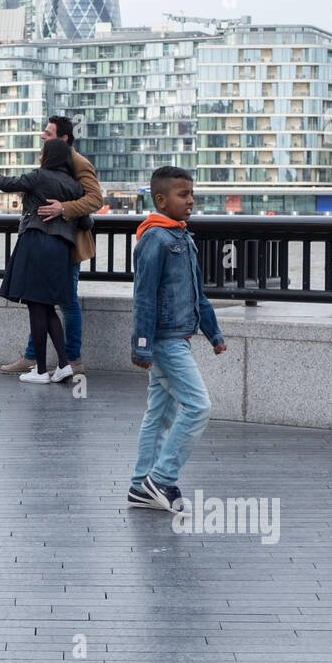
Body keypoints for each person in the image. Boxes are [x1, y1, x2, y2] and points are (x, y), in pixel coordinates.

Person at [128, 165, 227, 512]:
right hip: (164, 341)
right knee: (199, 407)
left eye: (191, 194)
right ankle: (162, 478)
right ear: (160, 199)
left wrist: (213, 332)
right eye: (183, 195)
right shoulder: (155, 238)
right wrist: (141, 344)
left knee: (159, 414)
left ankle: (141, 487)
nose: (191, 200)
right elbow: (144, 295)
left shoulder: (182, 237)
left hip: (179, 338)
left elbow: (198, 293)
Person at [0, 139, 86, 384]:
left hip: (36, 243)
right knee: (47, 306)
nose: (39, 156)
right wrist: (65, 210)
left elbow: (5, 183)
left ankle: (41, 371)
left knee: (36, 305)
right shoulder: (75, 187)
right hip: (62, 250)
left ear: (49, 157)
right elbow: (87, 222)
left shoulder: (38, 177)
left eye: (42, 152)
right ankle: (65, 365)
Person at [0, 115, 102, 376]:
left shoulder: (78, 162)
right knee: (40, 301)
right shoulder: (55, 160)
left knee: (66, 302)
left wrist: (63, 208)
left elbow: (95, 200)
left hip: (67, 243)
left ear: (63, 139)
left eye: (48, 133)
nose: (43, 136)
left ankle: (72, 360)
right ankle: (34, 357)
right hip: (50, 239)